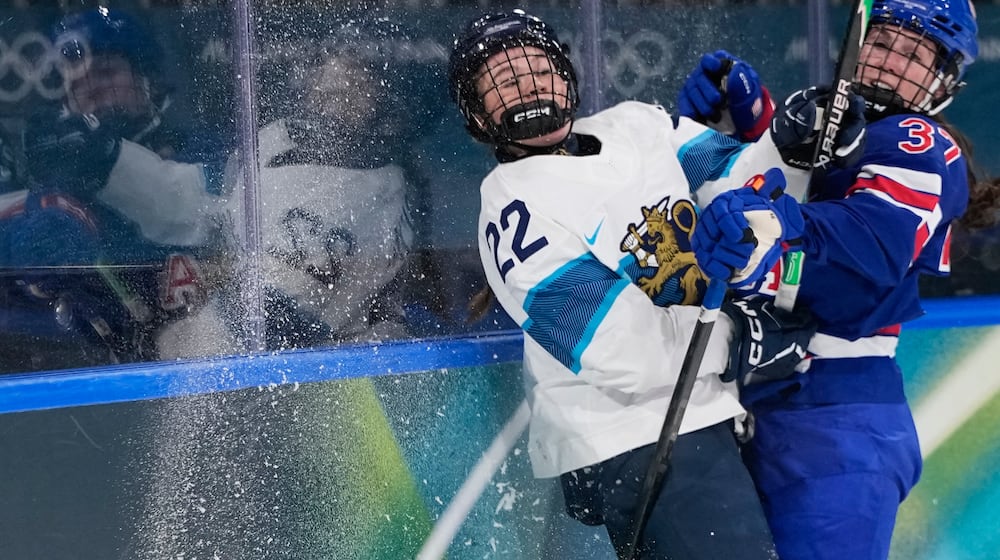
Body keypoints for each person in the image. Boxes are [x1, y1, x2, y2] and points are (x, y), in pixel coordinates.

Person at [446, 9, 850, 559]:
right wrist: (738, 339)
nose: (531, 87)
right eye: (506, 82)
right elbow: (622, 351)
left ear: (566, 73)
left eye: (540, 70)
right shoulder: (510, 212)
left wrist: (794, 142)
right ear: (477, 114)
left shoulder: (637, 125)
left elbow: (744, 181)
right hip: (633, 434)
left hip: (700, 411)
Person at [686, 1, 1000, 559]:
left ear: (944, 80)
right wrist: (750, 124)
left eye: (913, 54)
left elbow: (870, 246)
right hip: (761, 401)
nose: (889, 62)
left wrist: (773, 233)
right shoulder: (844, 123)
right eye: (881, 42)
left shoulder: (920, 141)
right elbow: (810, 182)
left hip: (837, 421)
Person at [12, 7, 235, 366]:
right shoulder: (62, 185)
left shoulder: (207, 150)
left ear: (147, 80)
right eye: (77, 81)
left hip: (218, 358)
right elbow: (38, 264)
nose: (93, 87)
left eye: (107, 72)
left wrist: (106, 155)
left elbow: (208, 207)